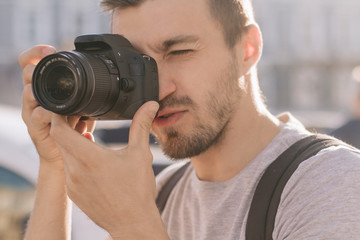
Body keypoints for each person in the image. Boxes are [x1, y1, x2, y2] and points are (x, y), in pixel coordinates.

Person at [18, 0, 360, 239]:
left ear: (247, 49)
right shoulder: (163, 194)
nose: (158, 88)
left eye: (179, 52)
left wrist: (135, 228)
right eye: (139, 64)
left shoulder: (332, 184)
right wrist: (54, 164)